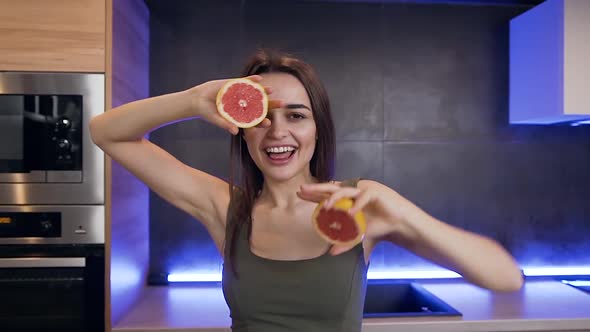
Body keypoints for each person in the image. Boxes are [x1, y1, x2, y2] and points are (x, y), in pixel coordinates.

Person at [90, 49, 523, 332]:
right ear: (241, 130)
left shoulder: (359, 205)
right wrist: (193, 99)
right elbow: (106, 132)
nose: (277, 132)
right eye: (262, 116)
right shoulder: (225, 207)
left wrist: (400, 211)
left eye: (296, 116)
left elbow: (504, 278)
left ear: (318, 128)